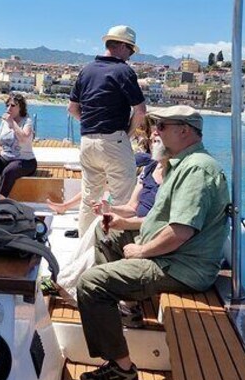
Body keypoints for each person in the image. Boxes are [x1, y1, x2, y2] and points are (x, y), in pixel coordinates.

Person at [75, 106, 229, 380]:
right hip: (172, 253)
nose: (154, 131)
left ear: (184, 130)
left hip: (182, 265)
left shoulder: (197, 170)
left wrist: (142, 251)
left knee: (91, 285)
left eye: (162, 126)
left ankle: (122, 369)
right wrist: (126, 228)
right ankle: (124, 308)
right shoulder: (182, 164)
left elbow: (180, 232)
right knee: (108, 237)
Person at [55, 127, 168, 305]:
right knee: (101, 222)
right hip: (134, 224)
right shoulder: (150, 168)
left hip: (148, 232)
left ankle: (67, 286)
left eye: (160, 131)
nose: (154, 134)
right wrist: (110, 208)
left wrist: (124, 222)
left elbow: (161, 221)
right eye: (154, 131)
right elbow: (132, 207)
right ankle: (67, 280)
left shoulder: (174, 175)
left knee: (100, 244)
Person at [68, 25, 147, 235]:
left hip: (87, 142)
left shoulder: (86, 70)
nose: (130, 56)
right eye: (130, 50)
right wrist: (127, 134)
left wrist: (90, 124)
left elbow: (72, 108)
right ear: (121, 45)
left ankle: (85, 249)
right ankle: (114, 251)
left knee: (89, 198)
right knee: (122, 199)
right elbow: (140, 112)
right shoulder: (123, 71)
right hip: (113, 142)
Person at [0, 94, 37, 203]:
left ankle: (0, 203)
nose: (9, 108)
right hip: (5, 157)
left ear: (20, 107)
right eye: (7, 105)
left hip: (25, 160)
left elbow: (24, 139)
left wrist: (12, 123)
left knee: (9, 171)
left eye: (12, 105)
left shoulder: (27, 122)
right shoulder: (4, 122)